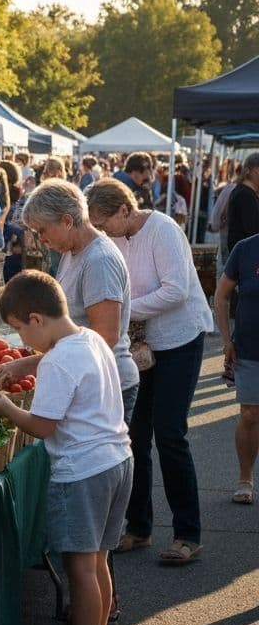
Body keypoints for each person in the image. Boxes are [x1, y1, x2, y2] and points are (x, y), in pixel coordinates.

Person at [0, 271, 131, 625]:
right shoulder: (89, 339)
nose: (22, 340)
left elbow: (44, 426)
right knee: (98, 564)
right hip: (117, 460)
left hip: (82, 471)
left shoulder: (59, 360)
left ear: (35, 318)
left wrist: (7, 408)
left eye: (19, 329)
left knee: (80, 569)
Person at [86, 178, 211, 564]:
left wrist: (124, 309)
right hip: (140, 347)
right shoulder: (114, 239)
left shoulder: (164, 229)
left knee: (170, 433)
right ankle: (138, 527)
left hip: (179, 341)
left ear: (125, 210)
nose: (102, 231)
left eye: (104, 222)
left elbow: (177, 290)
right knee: (135, 437)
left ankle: (187, 534)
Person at [0, 180, 138, 420]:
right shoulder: (73, 252)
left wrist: (32, 364)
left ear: (66, 221)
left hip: (102, 385)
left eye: (42, 230)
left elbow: (105, 337)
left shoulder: (98, 260)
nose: (40, 239)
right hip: (84, 378)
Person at [216, 230, 259, 504]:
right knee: (250, 414)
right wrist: (225, 340)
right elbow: (221, 296)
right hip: (250, 347)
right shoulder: (245, 249)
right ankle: (245, 478)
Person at [226, 151, 259, 253]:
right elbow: (251, 232)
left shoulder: (244, 192)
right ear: (256, 171)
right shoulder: (245, 195)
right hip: (245, 256)